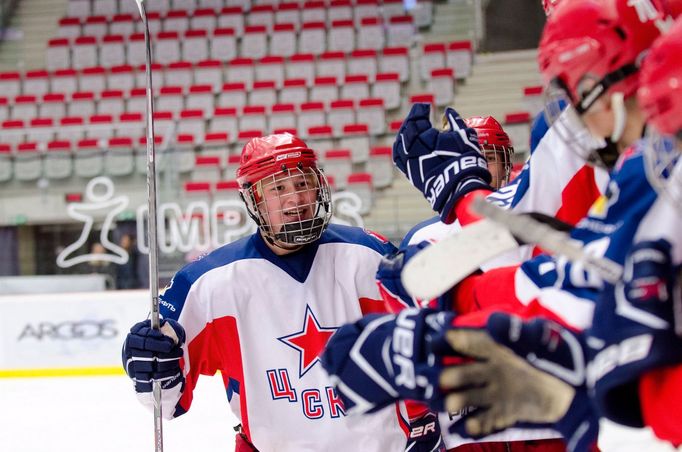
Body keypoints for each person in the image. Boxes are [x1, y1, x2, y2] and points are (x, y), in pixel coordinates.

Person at [321, 0, 678, 450]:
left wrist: (460, 306)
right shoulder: (646, 160)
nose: (579, 119)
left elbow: (585, 279)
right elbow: (592, 271)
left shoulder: (653, 165)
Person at [122, 133, 425, 452]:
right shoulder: (207, 283)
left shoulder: (368, 254)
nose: (295, 199)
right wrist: (149, 364)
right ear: (253, 200)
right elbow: (165, 400)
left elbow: (426, 341)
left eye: (302, 183)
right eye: (278, 188)